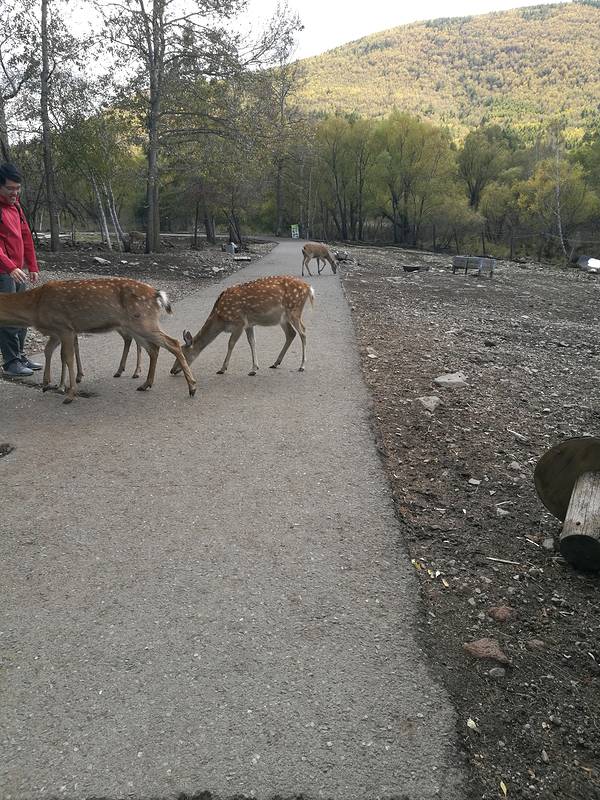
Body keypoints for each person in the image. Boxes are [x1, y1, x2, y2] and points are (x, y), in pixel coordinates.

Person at [0, 162, 42, 376]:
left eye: (17, 188)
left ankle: (20, 356)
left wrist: (32, 265)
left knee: (23, 315)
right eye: (10, 189)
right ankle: (11, 362)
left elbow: (26, 237)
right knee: (8, 317)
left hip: (18, 270)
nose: (14, 193)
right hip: (3, 272)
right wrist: (9, 267)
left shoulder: (16, 207)